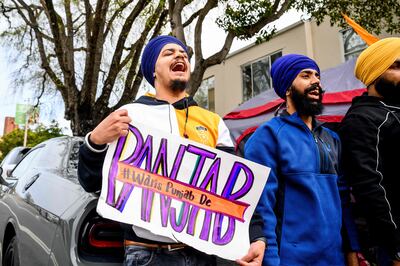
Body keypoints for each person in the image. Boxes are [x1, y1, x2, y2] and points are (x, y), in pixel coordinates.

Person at [78, 35, 266, 266]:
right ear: (153, 70)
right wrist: (94, 142)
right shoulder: (129, 115)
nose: (180, 56)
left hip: (202, 255)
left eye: (184, 54)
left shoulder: (213, 122)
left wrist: (255, 236)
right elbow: (93, 182)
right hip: (146, 254)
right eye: (168, 53)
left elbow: (234, 188)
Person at [244, 54, 359, 265]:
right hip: (290, 260)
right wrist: (270, 260)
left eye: (317, 76)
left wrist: (351, 250)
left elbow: (342, 198)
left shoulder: (332, 138)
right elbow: (261, 206)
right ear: (287, 88)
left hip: (334, 259)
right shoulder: (266, 136)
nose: (316, 81)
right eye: (305, 76)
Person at [339, 37, 400, 266]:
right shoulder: (362, 119)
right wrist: (396, 248)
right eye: (395, 67)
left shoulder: (394, 110)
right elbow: (371, 187)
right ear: (375, 74)